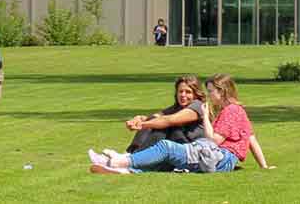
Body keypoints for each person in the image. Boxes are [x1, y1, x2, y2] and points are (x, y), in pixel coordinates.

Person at [89, 73, 275, 174]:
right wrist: (264, 167)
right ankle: (126, 169)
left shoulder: (229, 110)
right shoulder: (237, 111)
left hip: (219, 157)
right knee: (164, 154)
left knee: (165, 147)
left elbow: (214, 141)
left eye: (211, 91)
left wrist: (204, 116)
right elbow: (251, 139)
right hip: (216, 157)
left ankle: (115, 161)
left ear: (222, 92)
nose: (209, 95)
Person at [122, 75, 206, 153]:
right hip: (177, 146)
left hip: (193, 151)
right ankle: (132, 152)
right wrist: (139, 119)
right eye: (180, 91)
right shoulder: (177, 107)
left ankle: (136, 157)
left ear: (196, 94)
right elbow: (156, 116)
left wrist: (142, 125)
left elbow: (170, 120)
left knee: (163, 126)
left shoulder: (198, 106)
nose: (183, 95)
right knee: (153, 120)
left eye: (188, 92)